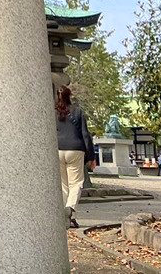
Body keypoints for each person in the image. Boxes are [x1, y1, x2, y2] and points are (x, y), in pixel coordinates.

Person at [54, 85, 95, 228]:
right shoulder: (77, 112)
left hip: (58, 150)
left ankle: (66, 216)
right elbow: (85, 134)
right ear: (69, 96)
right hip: (75, 149)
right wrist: (91, 156)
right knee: (76, 183)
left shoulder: (53, 113)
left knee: (64, 185)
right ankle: (70, 209)